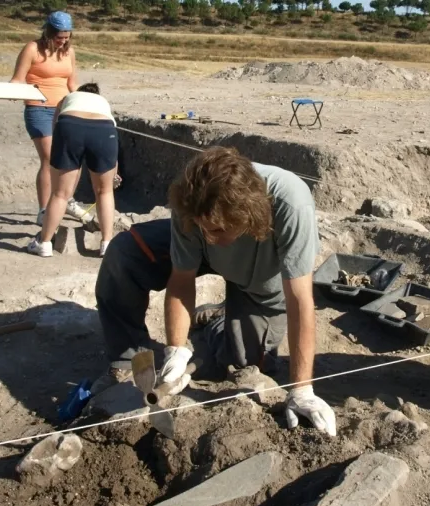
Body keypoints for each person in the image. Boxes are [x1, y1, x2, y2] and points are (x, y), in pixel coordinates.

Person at [94, 146, 337, 437]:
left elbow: (300, 300)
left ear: (247, 214)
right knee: (125, 254)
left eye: (218, 230)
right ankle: (127, 360)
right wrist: (176, 349)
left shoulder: (291, 203)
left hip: (260, 278)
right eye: (203, 228)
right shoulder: (193, 201)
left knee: (244, 364)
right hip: (206, 254)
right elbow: (181, 279)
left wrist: (302, 390)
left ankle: (218, 320)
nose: (209, 237)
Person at [10, 11, 88, 226]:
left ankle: (67, 200)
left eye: (67, 37)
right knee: (50, 159)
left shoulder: (69, 52)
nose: (63, 41)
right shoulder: (32, 49)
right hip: (39, 109)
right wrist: (10, 92)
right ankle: (44, 210)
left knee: (73, 156)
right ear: (48, 32)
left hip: (65, 109)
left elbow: (72, 83)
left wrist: (86, 100)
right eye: (59, 37)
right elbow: (17, 79)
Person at [27, 82, 119, 257]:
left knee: (60, 194)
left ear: (79, 91)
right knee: (105, 191)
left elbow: (55, 125)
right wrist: (115, 171)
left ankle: (44, 243)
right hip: (104, 130)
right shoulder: (102, 102)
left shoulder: (68, 98)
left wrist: (61, 150)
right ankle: (107, 244)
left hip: (70, 126)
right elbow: (112, 148)